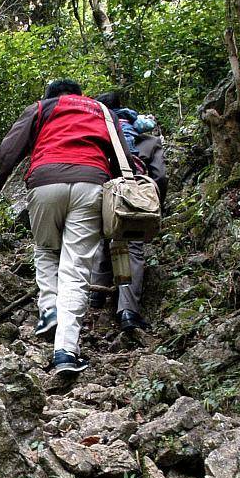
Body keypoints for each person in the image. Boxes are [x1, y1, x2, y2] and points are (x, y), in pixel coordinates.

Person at [0, 79, 135, 375]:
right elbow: (122, 157)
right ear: (78, 95)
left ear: (50, 97)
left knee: (46, 249)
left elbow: (6, 155)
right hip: (91, 183)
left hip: (44, 183)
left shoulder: (41, 109)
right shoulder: (101, 110)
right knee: (76, 270)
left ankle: (49, 309)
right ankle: (66, 353)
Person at [89, 91, 167, 331]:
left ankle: (96, 297)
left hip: (103, 192)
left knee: (101, 241)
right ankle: (128, 313)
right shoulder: (147, 140)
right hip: (134, 196)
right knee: (131, 249)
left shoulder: (96, 136)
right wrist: (155, 203)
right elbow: (160, 176)